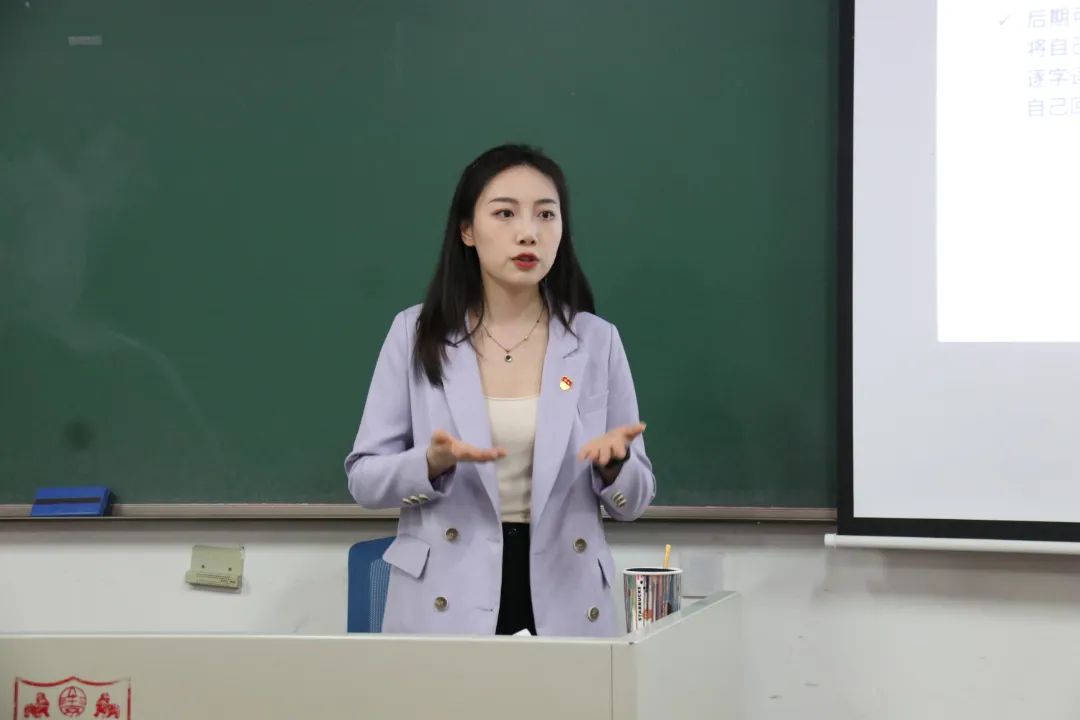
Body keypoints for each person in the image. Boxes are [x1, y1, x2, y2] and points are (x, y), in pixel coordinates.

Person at [344, 143, 655, 637]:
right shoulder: (416, 334)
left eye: (546, 214)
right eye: (505, 213)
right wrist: (430, 463)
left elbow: (634, 502)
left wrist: (615, 466)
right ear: (467, 230)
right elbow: (364, 481)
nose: (528, 232)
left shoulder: (596, 341)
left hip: (566, 596)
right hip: (446, 596)